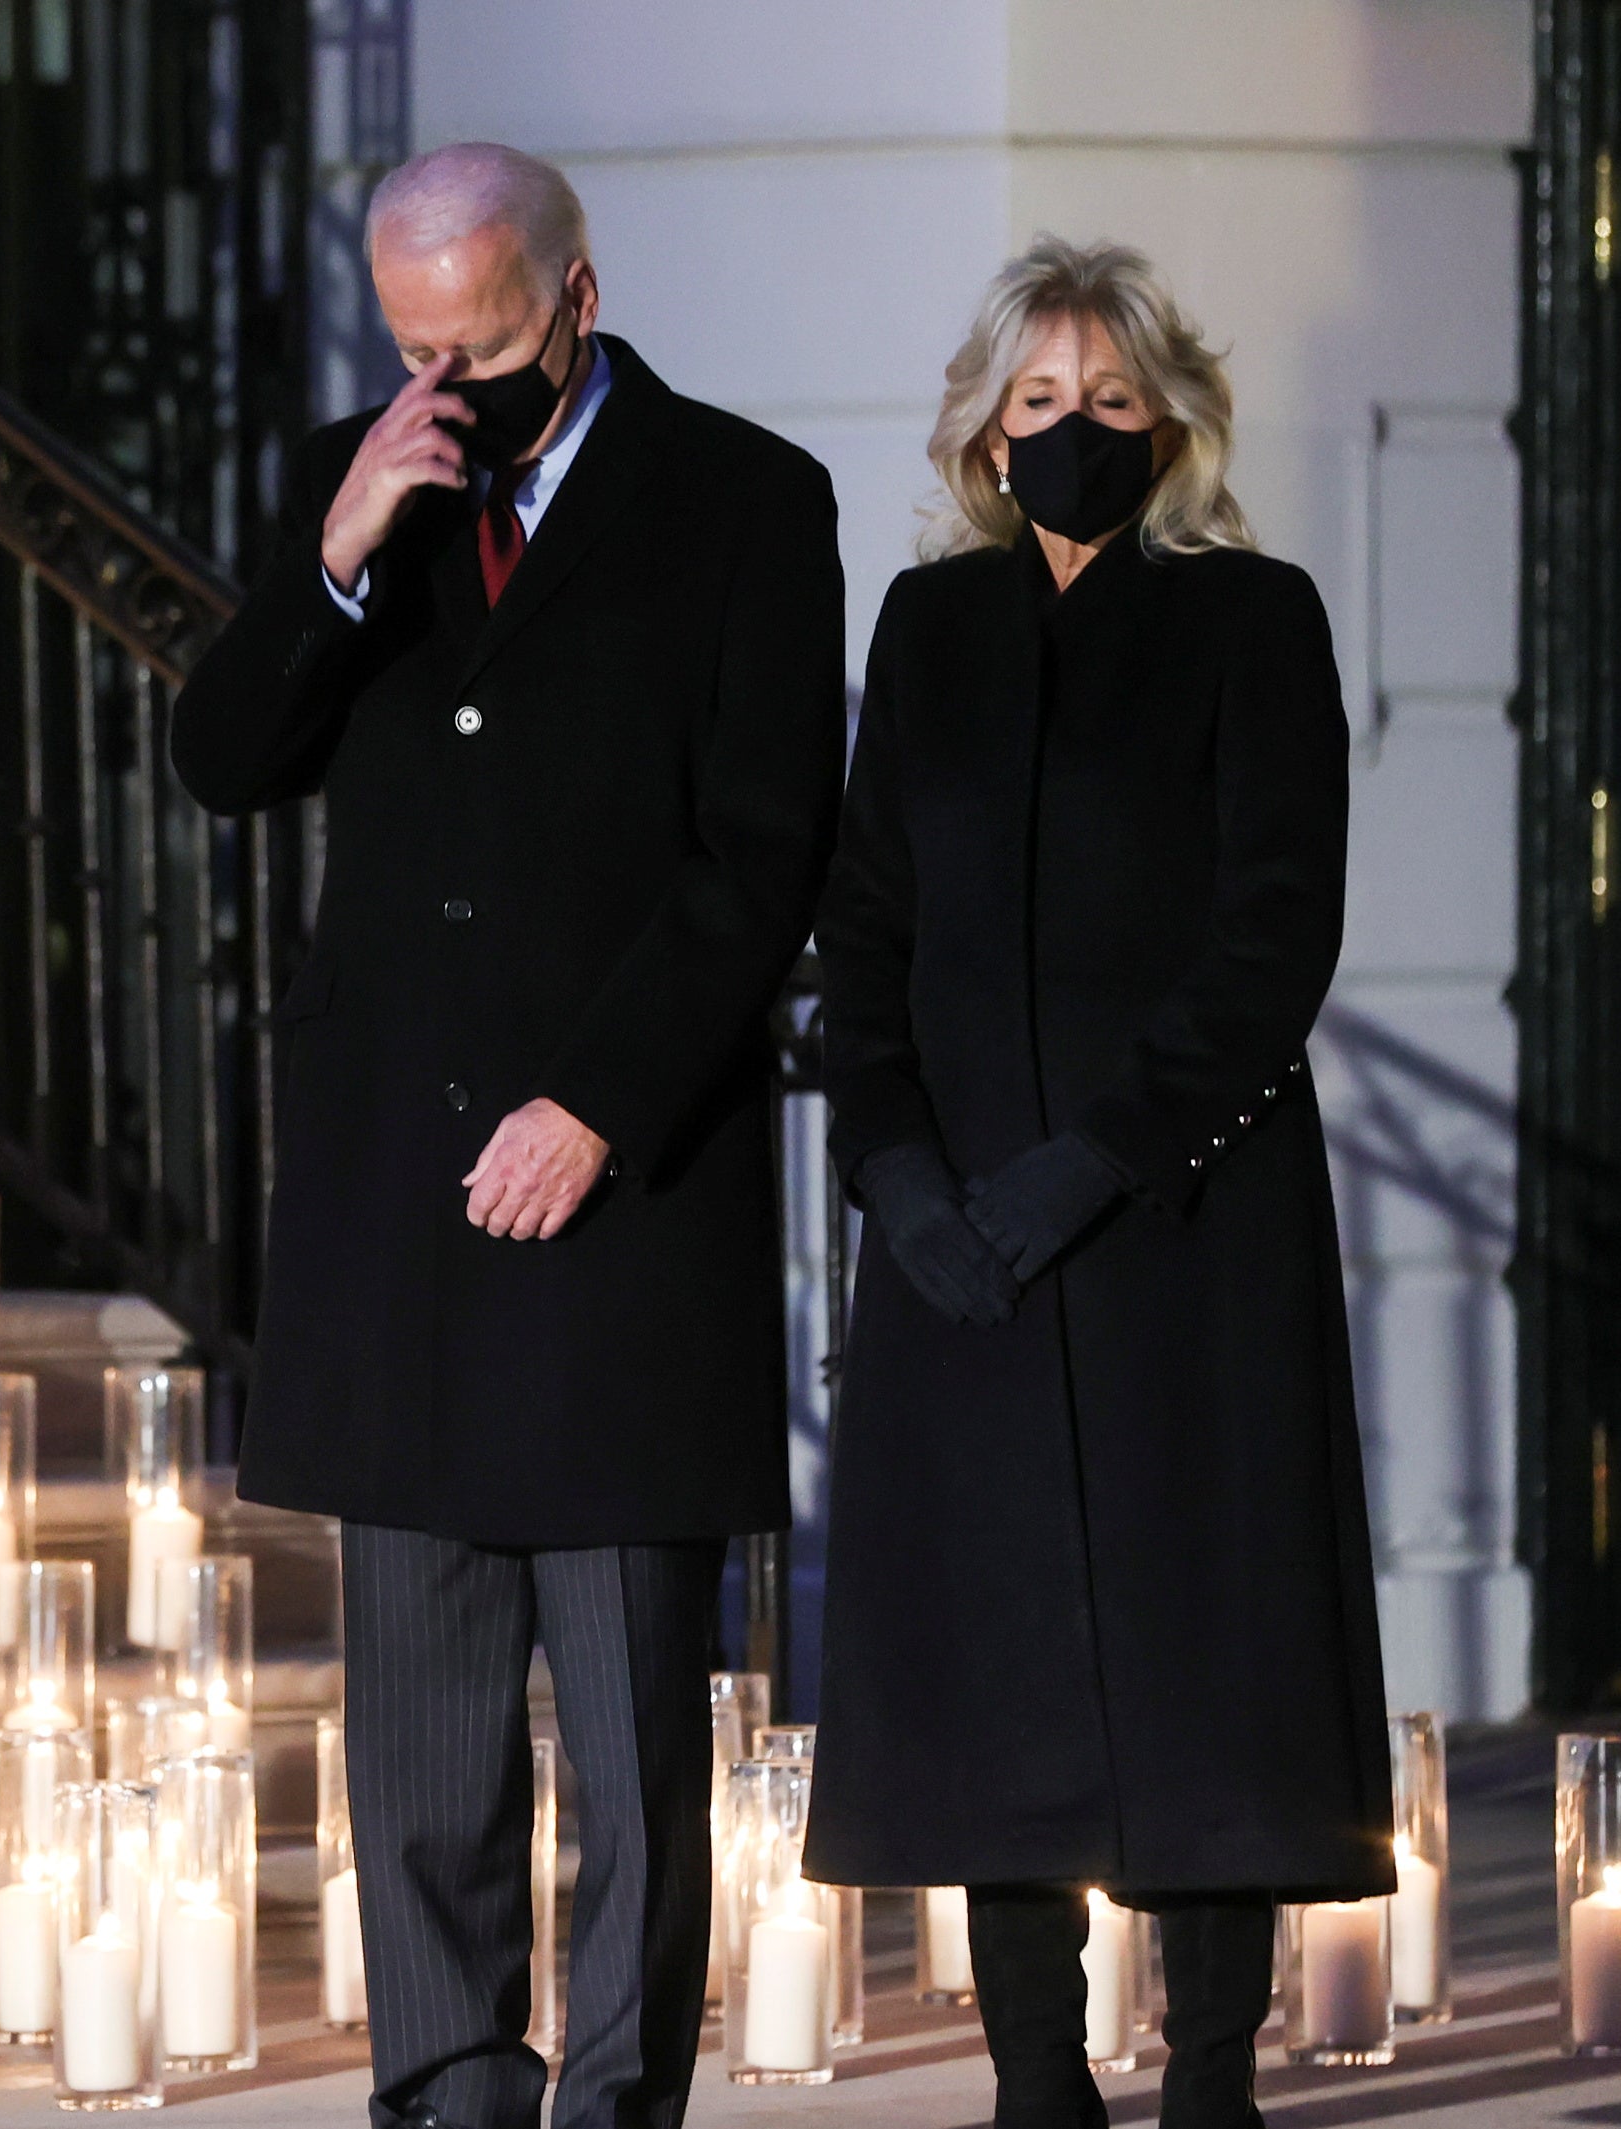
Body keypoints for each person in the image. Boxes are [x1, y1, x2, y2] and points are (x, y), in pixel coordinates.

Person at [172, 142, 843, 2129]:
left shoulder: (742, 498)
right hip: (402, 1202)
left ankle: (618, 2096)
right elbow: (224, 758)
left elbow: (764, 850)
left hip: (622, 1193)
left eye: (479, 345)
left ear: (574, 295)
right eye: (408, 348)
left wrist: (602, 1097)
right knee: (424, 1725)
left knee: (634, 1726)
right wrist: (341, 544)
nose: (442, 382)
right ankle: (447, 2084)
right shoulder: (351, 469)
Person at [803, 237, 1391, 2129]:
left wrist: (1096, 1160)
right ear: (980, 430)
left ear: (1170, 424)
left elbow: (1268, 937)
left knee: (1200, 1659)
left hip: (1178, 1229)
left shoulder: (1251, 617)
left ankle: (1210, 2078)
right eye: (1036, 402)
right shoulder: (927, 632)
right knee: (988, 1669)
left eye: (1110, 403)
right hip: (956, 1242)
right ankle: (1035, 2082)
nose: (1070, 433)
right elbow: (865, 926)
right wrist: (891, 1173)